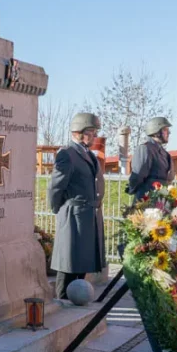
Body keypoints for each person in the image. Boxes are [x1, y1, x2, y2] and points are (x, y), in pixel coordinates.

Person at [48, 113, 107, 302]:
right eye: (92, 131)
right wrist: (60, 210)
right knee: (68, 265)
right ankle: (62, 302)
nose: (95, 135)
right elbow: (56, 186)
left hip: (88, 216)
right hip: (73, 215)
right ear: (80, 132)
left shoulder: (88, 154)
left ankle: (76, 301)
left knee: (81, 265)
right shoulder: (67, 154)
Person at [127, 117, 175, 201]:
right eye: (165, 130)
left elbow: (169, 179)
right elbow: (138, 175)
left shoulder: (166, 155)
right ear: (156, 132)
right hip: (145, 200)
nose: (169, 133)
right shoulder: (145, 149)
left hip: (161, 201)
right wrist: (132, 188)